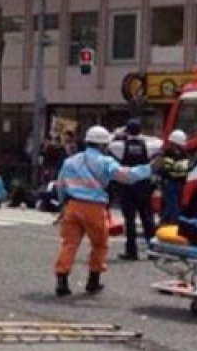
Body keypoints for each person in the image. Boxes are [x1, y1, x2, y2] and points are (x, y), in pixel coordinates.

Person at [54, 125, 153, 297]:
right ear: (102, 145)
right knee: (99, 244)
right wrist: (149, 169)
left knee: (69, 244)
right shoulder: (105, 162)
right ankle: (93, 282)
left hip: (72, 206)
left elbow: (61, 185)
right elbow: (127, 176)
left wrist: (63, 205)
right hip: (94, 207)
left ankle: (62, 281)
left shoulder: (70, 161)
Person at [110, 119, 157, 260]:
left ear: (127, 131)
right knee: (147, 218)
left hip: (127, 184)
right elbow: (160, 143)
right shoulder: (149, 146)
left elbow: (109, 143)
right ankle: (153, 250)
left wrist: (118, 134)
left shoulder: (119, 146)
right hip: (143, 185)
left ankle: (131, 251)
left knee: (129, 220)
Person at [157, 130, 192, 226]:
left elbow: (166, 168)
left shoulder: (169, 152)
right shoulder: (185, 154)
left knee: (171, 206)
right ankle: (167, 222)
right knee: (174, 205)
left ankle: (171, 224)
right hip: (180, 183)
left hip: (169, 183)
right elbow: (186, 169)